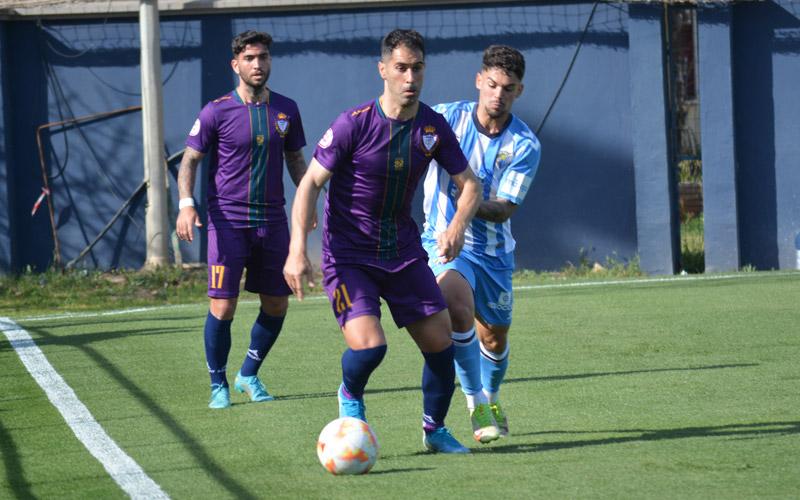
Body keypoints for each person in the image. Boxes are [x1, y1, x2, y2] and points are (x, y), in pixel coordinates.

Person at [283, 29, 481, 453]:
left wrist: (457, 225)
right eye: (401, 68)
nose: (410, 77)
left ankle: (435, 430)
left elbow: (470, 185)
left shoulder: (432, 127)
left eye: (417, 68)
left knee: (440, 345)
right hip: (349, 257)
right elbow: (310, 184)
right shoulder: (353, 124)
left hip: (403, 252)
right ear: (383, 70)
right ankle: (350, 395)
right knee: (371, 347)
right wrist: (298, 249)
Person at [176, 30, 309, 409]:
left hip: (273, 221)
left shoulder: (286, 110)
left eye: (263, 57)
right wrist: (186, 203)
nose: (257, 64)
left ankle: (248, 374)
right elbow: (190, 160)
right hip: (227, 222)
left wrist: (311, 201)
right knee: (223, 305)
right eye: (249, 58)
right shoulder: (215, 110)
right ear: (236, 65)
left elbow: (297, 162)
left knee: (277, 304)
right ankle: (218, 383)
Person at [422, 45, 541, 442]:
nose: (498, 94)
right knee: (456, 305)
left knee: (494, 335)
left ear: (519, 91)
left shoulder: (524, 145)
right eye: (491, 84)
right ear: (479, 80)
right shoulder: (443, 118)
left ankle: (491, 394)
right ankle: (476, 404)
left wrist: (466, 206)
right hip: (442, 238)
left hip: (493, 252)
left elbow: (505, 209)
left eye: (507, 88)